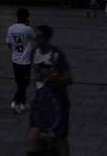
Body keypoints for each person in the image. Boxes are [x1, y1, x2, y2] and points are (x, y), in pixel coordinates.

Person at [27, 24, 72, 155]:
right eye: (35, 36)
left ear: (47, 38)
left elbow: (69, 79)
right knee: (32, 136)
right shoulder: (34, 52)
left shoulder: (56, 55)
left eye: (39, 37)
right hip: (41, 101)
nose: (36, 39)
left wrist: (56, 78)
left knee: (60, 138)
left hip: (57, 101)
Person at [6, 7, 35, 114]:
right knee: (24, 83)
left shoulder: (10, 28)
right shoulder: (27, 29)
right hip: (25, 60)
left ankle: (22, 103)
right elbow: (34, 38)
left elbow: (9, 44)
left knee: (19, 82)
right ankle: (15, 101)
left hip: (15, 59)